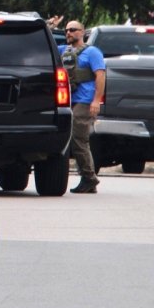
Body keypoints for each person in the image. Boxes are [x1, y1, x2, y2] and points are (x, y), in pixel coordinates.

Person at [50, 16, 107, 194]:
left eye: (73, 29)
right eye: (67, 30)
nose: (69, 32)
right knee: (74, 139)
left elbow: (100, 76)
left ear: (82, 32)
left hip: (85, 100)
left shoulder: (92, 52)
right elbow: (46, 45)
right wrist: (50, 27)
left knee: (78, 139)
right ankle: (87, 178)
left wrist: (96, 101)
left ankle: (89, 178)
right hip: (68, 101)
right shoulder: (63, 50)